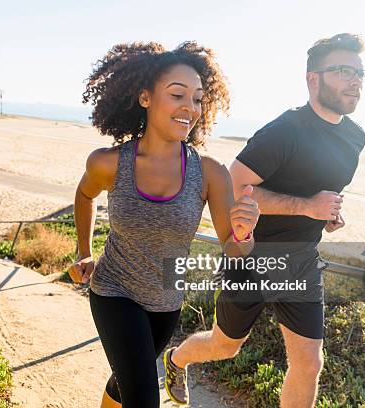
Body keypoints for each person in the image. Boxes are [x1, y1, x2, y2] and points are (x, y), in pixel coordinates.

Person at [164, 33, 365, 407]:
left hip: (301, 261)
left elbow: (322, 189)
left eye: (360, 72)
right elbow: (232, 187)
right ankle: (177, 359)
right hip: (251, 257)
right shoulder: (285, 131)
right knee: (224, 346)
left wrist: (328, 214)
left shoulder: (356, 138)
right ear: (314, 79)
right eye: (343, 71)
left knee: (309, 363)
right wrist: (308, 206)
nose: (355, 80)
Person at [68, 42, 260, 408]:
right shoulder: (108, 164)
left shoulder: (210, 174)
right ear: (145, 97)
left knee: (124, 383)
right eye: (177, 95)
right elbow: (84, 196)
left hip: (166, 304)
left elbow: (235, 249)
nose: (190, 107)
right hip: (113, 292)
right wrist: (84, 251)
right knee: (143, 396)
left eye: (199, 99)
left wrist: (244, 231)